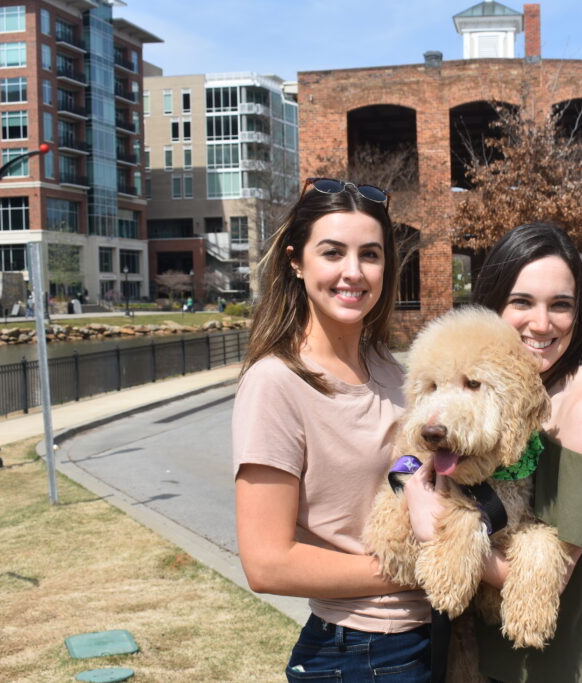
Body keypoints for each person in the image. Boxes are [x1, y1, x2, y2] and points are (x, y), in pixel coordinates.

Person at [406, 222, 582, 683]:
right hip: (480, 663)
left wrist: (435, 528)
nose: (541, 323)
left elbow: (546, 576)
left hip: (565, 670)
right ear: (493, 304)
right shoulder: (491, 396)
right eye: (522, 302)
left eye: (561, 305)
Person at [233, 178, 432, 681]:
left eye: (370, 254)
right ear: (297, 262)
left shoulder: (386, 365)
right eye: (333, 252)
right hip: (364, 654)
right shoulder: (275, 383)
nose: (353, 272)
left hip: (433, 636)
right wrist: (420, 566)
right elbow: (267, 564)